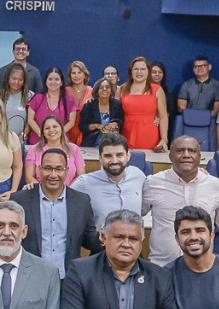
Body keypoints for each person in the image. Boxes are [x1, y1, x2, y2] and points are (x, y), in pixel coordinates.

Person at [11, 148, 100, 277]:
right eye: (48, 168)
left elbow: (88, 238)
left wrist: (103, 238)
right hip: (30, 278)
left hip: (68, 279)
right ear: (39, 169)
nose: (53, 175)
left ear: (67, 171)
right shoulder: (20, 200)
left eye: (59, 169)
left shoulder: (81, 201)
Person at [141, 136, 219, 266]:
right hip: (162, 266)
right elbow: (136, 214)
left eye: (192, 151)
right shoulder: (153, 183)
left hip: (202, 268)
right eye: (180, 151)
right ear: (170, 156)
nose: (186, 155)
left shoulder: (215, 185)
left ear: (200, 156)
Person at [71, 133, 145, 229]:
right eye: (108, 156)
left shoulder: (137, 175)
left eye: (119, 155)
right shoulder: (85, 183)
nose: (114, 161)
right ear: (100, 158)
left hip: (133, 242)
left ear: (128, 155)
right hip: (101, 242)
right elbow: (63, 205)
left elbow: (145, 208)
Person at [121, 56, 168, 152]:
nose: (139, 72)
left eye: (143, 69)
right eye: (136, 69)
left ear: (148, 71)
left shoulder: (157, 90)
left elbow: (163, 116)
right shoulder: (122, 89)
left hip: (149, 134)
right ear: (131, 71)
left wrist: (164, 139)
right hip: (126, 134)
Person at [24, 115, 85, 188]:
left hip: (70, 193)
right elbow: (29, 177)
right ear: (43, 132)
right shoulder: (34, 150)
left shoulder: (74, 149)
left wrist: (67, 191)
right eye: (47, 128)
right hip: (41, 193)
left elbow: (81, 176)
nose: (51, 130)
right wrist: (45, 191)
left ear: (62, 129)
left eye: (55, 126)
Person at [28, 67, 77, 145]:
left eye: (57, 79)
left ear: (61, 82)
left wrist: (56, 136)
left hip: (61, 143)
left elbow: (71, 122)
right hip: (38, 142)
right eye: (50, 79)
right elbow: (30, 120)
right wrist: (42, 135)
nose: (53, 82)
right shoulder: (37, 98)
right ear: (46, 81)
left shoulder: (69, 99)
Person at [79, 76, 125, 147]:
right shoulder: (89, 105)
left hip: (113, 143)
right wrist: (97, 126)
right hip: (92, 143)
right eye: (101, 87)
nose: (104, 89)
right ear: (97, 91)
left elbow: (121, 122)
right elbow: (83, 127)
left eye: (107, 87)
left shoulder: (117, 104)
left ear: (111, 90)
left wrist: (116, 124)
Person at [0, 63, 34, 141]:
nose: (16, 82)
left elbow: (30, 120)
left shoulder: (30, 96)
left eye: (20, 79)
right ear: (8, 78)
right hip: (1, 139)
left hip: (21, 140)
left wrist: (23, 135)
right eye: (13, 79)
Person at [66, 60, 94, 147]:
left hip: (87, 132)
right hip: (68, 130)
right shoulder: (65, 91)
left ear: (84, 74)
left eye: (79, 72)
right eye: (73, 73)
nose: (76, 76)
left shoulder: (92, 91)